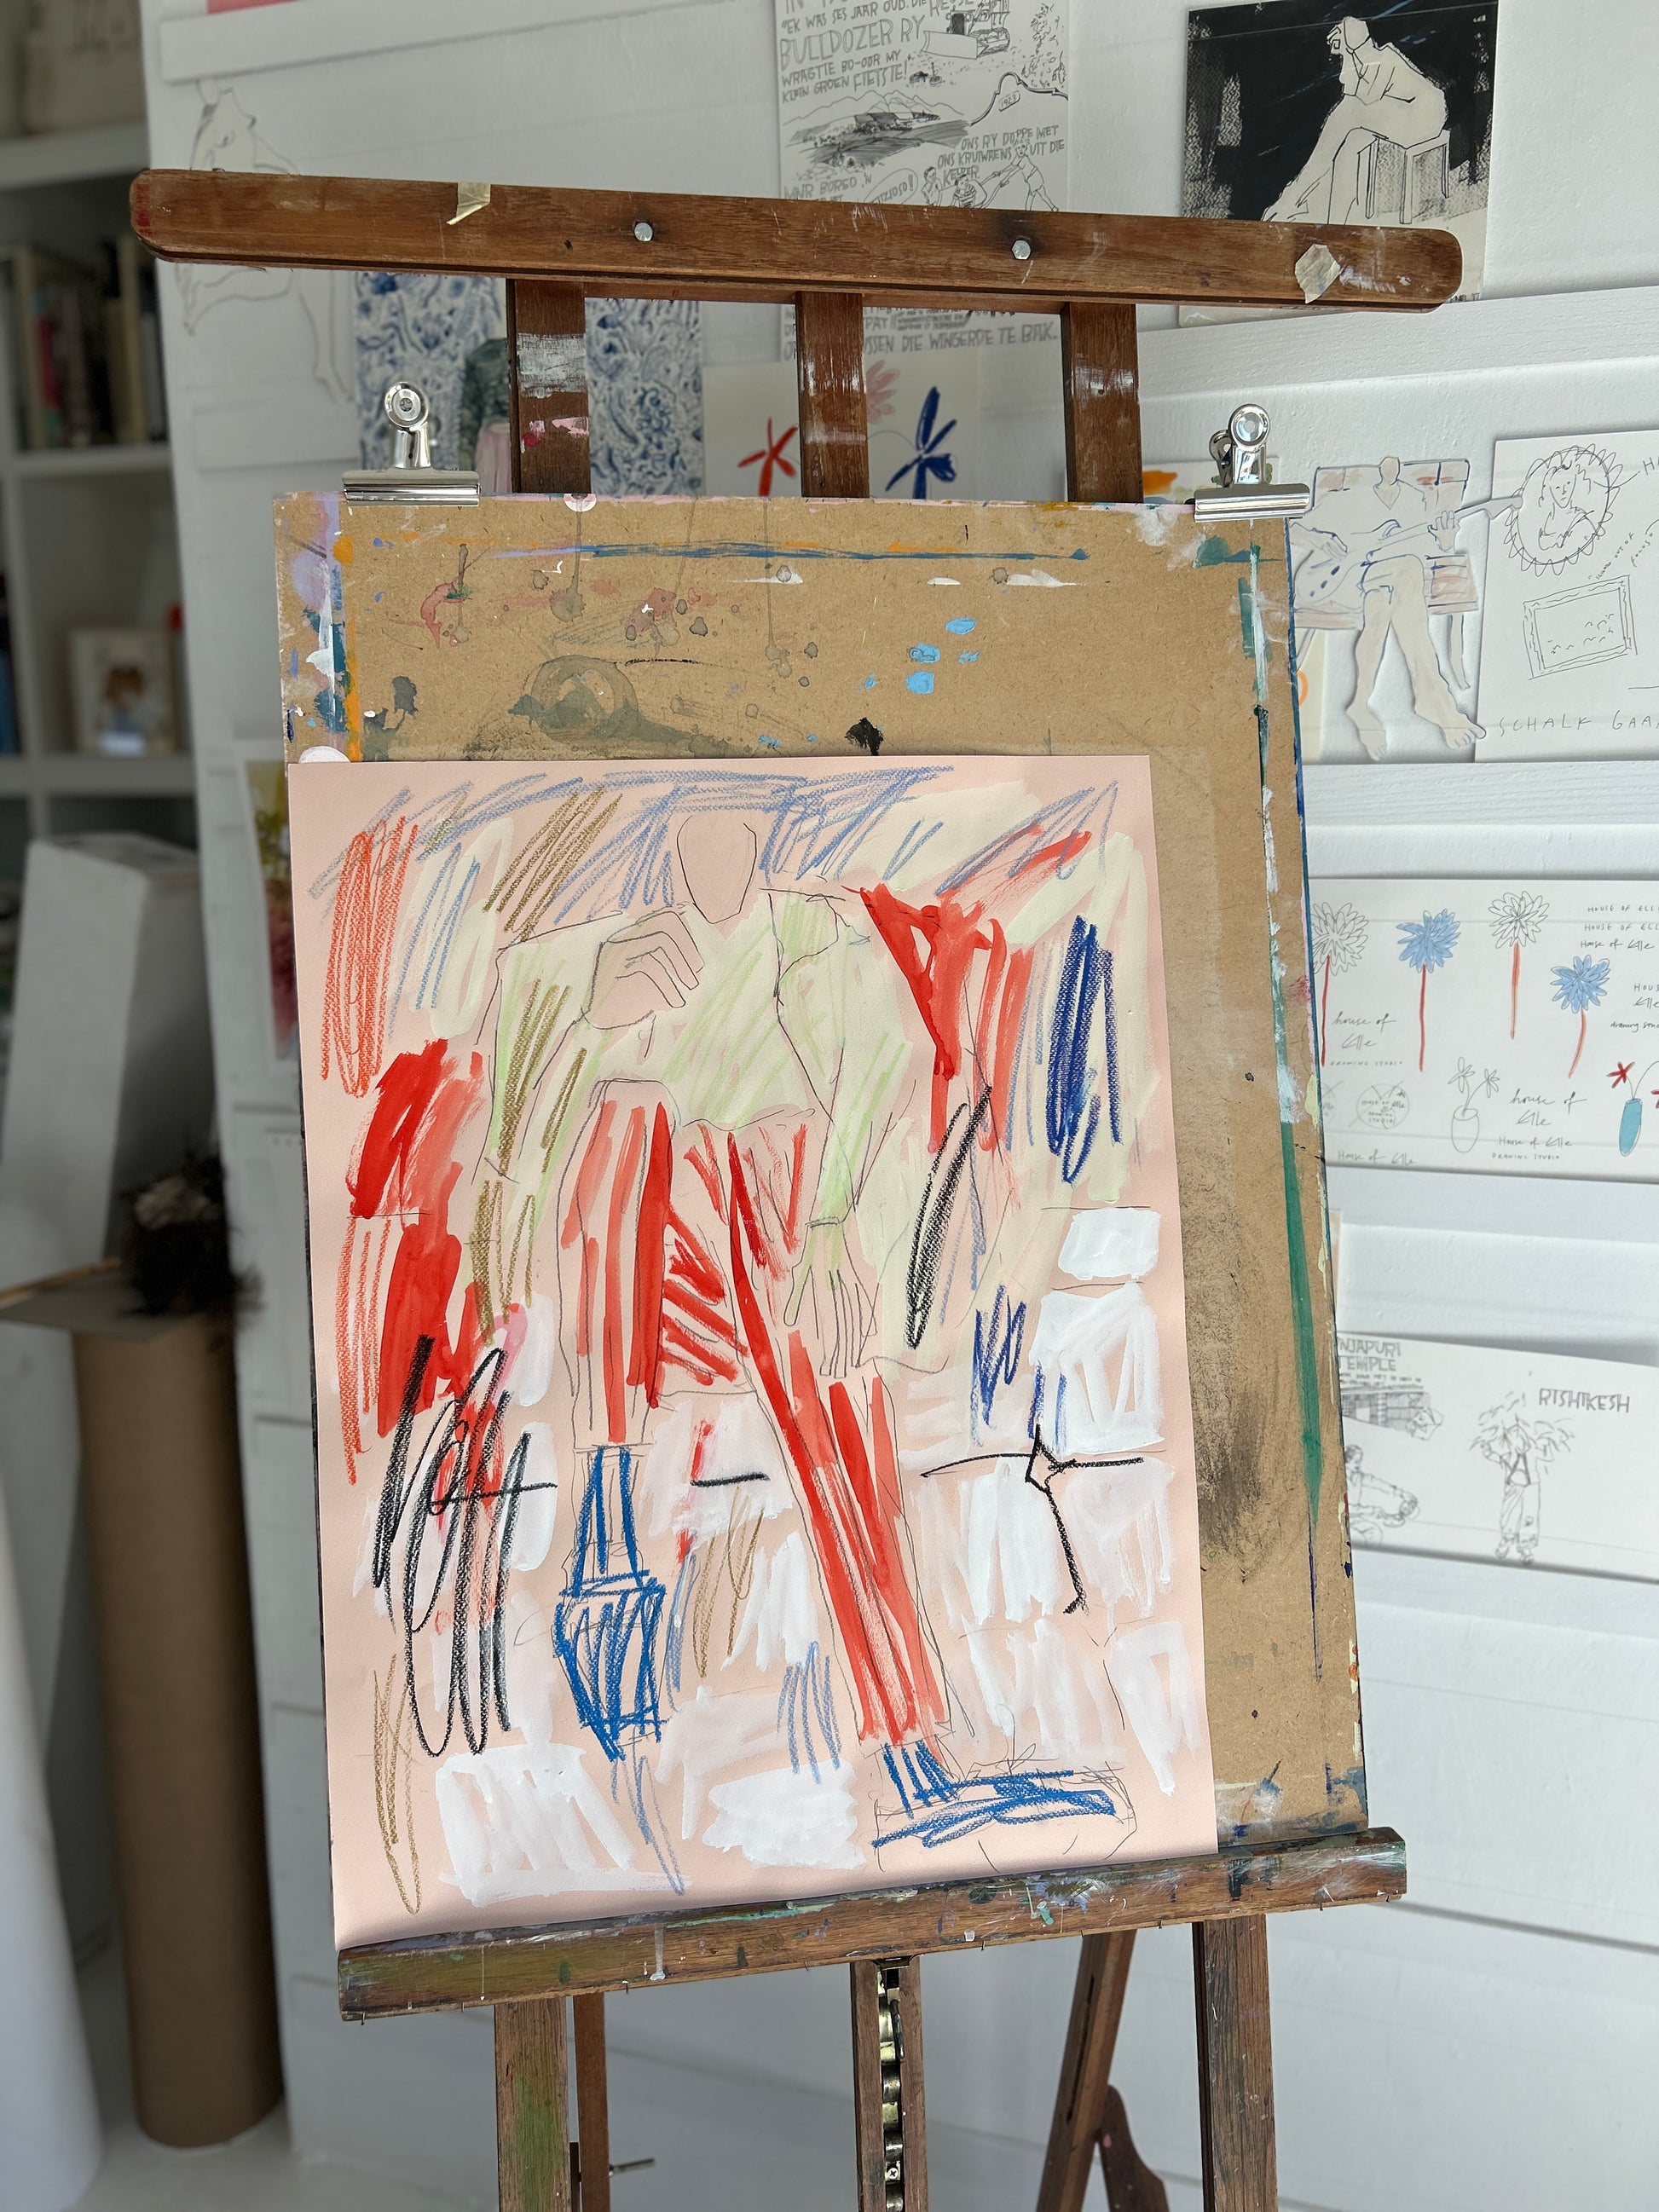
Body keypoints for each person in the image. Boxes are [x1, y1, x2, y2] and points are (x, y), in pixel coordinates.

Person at [1292, 454, 1479, 753]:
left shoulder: (1416, 500)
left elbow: (1429, 550)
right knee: (1406, 571)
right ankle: (1433, 698)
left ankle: (1361, 702)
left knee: (1385, 597)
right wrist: (1320, 541)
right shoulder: (1348, 499)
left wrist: (1446, 539)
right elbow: (1292, 528)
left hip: (1383, 584)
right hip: (1341, 581)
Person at [1266, 17, 1447, 225]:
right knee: (1349, 145)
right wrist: (1347, 53)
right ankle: (1333, 219)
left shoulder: (1386, 58)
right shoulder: (1363, 64)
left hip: (1426, 116)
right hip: (1401, 114)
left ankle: (1293, 195)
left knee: (1348, 112)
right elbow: (1353, 96)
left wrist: (1348, 52)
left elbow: (1363, 99)